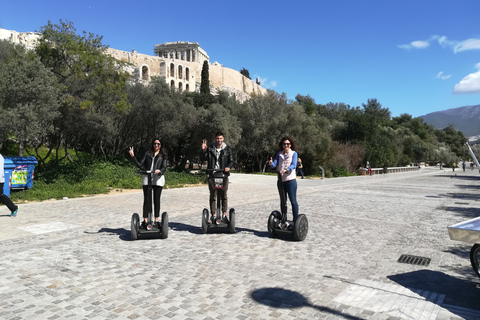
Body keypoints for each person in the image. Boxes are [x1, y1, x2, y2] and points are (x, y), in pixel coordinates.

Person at [129, 139, 167, 228]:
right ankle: (145, 221)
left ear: (160, 145)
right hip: (147, 178)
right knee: (147, 200)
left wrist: (160, 171)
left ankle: (156, 220)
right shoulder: (147, 153)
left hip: (157, 179)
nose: (156, 145)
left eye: (158, 144)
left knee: (156, 200)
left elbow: (164, 167)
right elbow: (140, 164)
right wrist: (133, 156)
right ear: (152, 144)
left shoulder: (163, 155)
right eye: (155, 144)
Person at [201, 132, 234, 223]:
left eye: (220, 138)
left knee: (223, 195)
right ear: (215, 139)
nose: (219, 140)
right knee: (213, 196)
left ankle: (224, 214)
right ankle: (213, 215)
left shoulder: (227, 149)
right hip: (212, 174)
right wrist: (204, 150)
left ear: (223, 139)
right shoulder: (211, 148)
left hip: (223, 174)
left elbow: (231, 161)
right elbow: (204, 158)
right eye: (217, 138)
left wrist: (228, 167)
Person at [269, 136, 299, 230]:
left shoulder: (294, 154)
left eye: (288, 144)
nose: (286, 145)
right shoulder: (279, 154)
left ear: (291, 145)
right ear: (282, 145)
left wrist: (286, 170)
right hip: (281, 181)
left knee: (293, 201)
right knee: (283, 201)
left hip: (290, 181)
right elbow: (275, 164)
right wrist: (271, 163)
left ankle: (295, 221)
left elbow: (294, 165)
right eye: (284, 144)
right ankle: (284, 220)